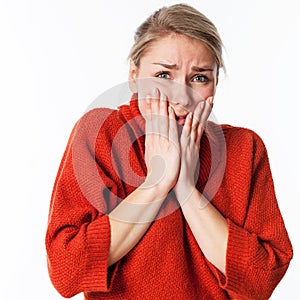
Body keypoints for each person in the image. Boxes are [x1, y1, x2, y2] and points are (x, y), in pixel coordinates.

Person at [45, 4, 293, 299]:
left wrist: (187, 189)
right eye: (164, 75)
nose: (182, 96)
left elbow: (262, 280)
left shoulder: (244, 148)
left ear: (215, 82)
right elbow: (66, 271)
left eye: (200, 77)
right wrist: (157, 184)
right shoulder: (100, 133)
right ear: (134, 75)